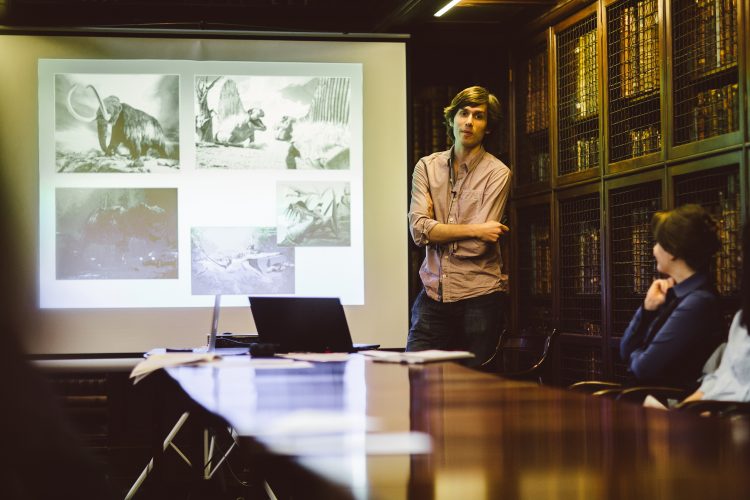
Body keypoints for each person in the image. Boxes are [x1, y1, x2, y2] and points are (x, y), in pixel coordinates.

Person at [407, 86, 511, 368]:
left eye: (478, 116)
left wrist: (437, 231)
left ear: (487, 127)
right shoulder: (426, 167)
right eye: (463, 113)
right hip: (432, 294)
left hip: (479, 297)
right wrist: (476, 229)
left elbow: (478, 248)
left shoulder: (498, 173)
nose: (469, 122)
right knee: (414, 378)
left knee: (474, 394)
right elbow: (418, 230)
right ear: (451, 119)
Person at [620, 204, 724, 390]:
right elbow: (624, 349)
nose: (653, 249)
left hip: (671, 409)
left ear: (674, 252)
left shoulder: (698, 302)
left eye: (658, 242)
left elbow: (642, 368)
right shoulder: (675, 293)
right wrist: (647, 309)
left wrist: (634, 356)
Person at [679, 222, 750, 403]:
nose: (739, 260)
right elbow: (722, 377)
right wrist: (685, 408)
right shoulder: (742, 319)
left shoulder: (698, 300)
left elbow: (644, 366)